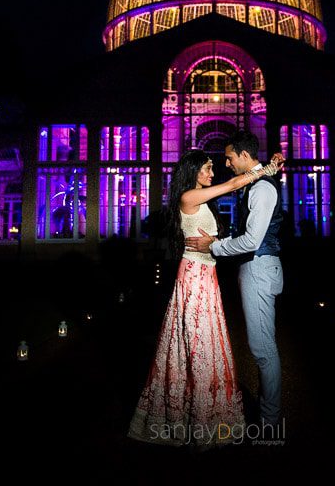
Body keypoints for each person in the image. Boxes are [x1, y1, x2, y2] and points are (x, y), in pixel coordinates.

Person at [127, 149, 284, 450]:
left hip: (206, 276)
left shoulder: (202, 197)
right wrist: (266, 168)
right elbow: (234, 185)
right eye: (208, 168)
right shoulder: (188, 197)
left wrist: (271, 169)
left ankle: (207, 417)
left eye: (214, 167)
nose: (214, 173)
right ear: (194, 171)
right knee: (196, 346)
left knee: (207, 345)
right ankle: (197, 421)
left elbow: (235, 192)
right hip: (194, 277)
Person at [185, 131, 286, 435]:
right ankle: (270, 415)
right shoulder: (257, 182)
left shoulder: (262, 190)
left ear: (243, 155)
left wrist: (214, 246)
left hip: (259, 267)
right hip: (257, 268)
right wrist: (267, 167)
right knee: (263, 347)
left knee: (263, 349)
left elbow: (253, 240)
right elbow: (239, 182)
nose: (226, 163)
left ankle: (270, 422)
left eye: (229, 157)